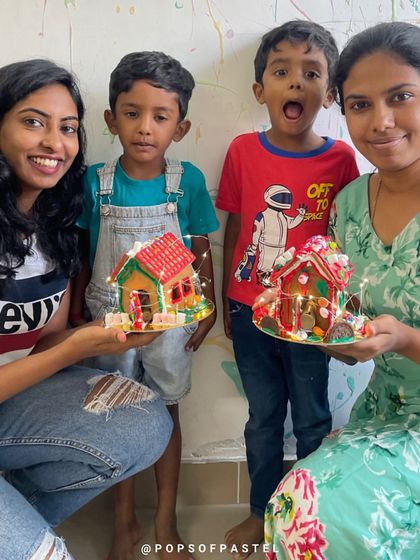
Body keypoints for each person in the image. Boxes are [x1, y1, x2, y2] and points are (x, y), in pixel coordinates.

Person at [0, 58, 172, 560]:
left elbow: (46, 342)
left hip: (11, 402)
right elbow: (61, 350)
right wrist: (77, 346)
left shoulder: (52, 225)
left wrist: (103, 331)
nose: (55, 143)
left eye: (67, 128)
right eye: (33, 122)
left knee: (144, 418)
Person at [263, 21, 420, 559]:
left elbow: (395, 334)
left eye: (401, 97)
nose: (381, 122)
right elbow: (342, 310)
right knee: (296, 514)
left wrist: (403, 339)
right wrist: (329, 333)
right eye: (359, 105)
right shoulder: (349, 204)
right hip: (388, 416)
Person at [215, 20, 359, 557]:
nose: (295, 83)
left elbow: (344, 241)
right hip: (250, 311)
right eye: (282, 72)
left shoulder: (341, 160)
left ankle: (307, 511)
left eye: (311, 73)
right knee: (263, 418)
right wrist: (232, 301)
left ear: (330, 92)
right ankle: (260, 511)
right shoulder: (242, 151)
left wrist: (343, 309)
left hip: (311, 318)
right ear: (260, 91)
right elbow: (234, 226)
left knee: (314, 417)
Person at [71, 51, 219, 560]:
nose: (144, 128)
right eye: (131, 113)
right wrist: (75, 318)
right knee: (116, 414)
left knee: (168, 410)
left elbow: (200, 245)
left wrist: (209, 304)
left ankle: (164, 520)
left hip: (172, 318)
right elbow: (82, 257)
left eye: (161, 116)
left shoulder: (187, 182)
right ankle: (124, 520)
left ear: (181, 127)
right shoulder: (94, 182)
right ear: (111, 118)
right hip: (107, 318)